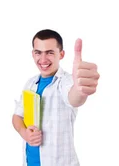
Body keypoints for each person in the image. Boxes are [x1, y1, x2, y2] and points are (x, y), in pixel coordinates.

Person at [11, 29, 100, 166]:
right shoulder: (30, 83)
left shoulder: (66, 82)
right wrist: (24, 133)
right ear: (33, 54)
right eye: (38, 52)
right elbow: (17, 116)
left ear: (61, 54)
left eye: (50, 52)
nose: (43, 59)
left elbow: (73, 97)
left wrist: (80, 89)